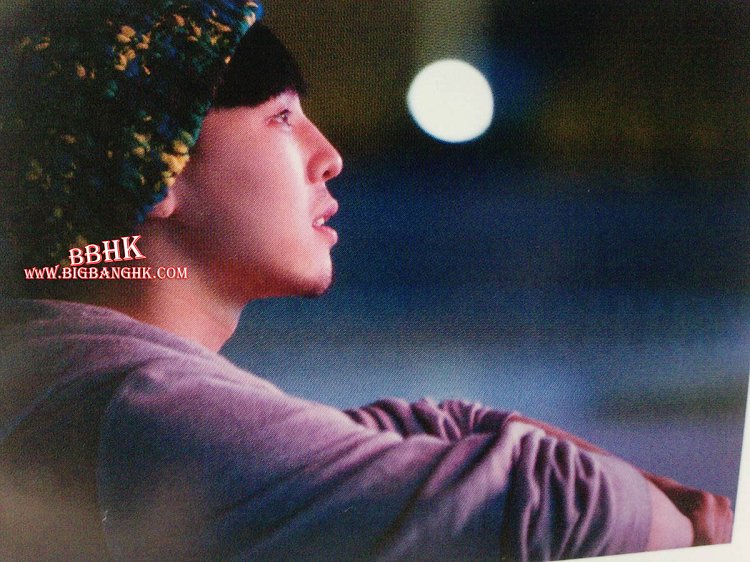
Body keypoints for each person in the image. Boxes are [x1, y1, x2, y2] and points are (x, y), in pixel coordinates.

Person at [0, 1, 733, 560]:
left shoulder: (69, 373)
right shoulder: (137, 407)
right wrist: (700, 534)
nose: (329, 156)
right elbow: (555, 506)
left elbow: (421, 429)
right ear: (154, 169)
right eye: (282, 117)